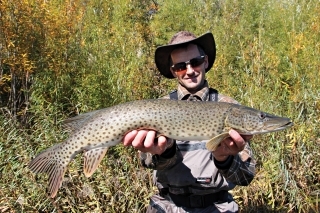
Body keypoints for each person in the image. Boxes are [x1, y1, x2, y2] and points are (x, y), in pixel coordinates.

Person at [123, 31, 256, 213]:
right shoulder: (158, 107)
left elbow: (245, 177)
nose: (190, 71)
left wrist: (224, 159)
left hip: (217, 207)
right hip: (168, 206)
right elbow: (148, 162)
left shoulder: (231, 108)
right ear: (173, 71)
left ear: (206, 61)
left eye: (195, 62)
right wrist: (165, 152)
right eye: (180, 66)